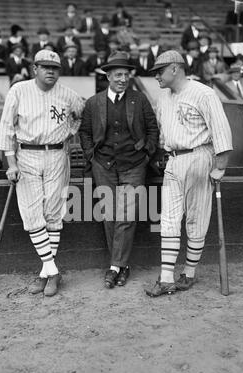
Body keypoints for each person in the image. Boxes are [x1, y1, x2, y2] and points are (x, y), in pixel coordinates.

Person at [0, 49, 84, 297]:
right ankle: (52, 270)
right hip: (27, 154)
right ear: (34, 68)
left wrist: (68, 133)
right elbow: (6, 129)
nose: (50, 72)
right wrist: (11, 163)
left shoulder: (68, 94)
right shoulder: (19, 90)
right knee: (32, 214)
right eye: (45, 67)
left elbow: (80, 116)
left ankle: (45, 273)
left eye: (55, 68)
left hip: (57, 154)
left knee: (53, 213)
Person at [146, 50, 233, 297]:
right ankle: (165, 278)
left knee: (196, 219)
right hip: (173, 160)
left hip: (199, 156)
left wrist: (220, 166)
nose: (156, 77)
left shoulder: (204, 93)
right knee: (169, 219)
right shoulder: (163, 98)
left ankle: (189, 273)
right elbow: (163, 132)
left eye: (159, 72)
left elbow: (222, 132)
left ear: (175, 68)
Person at [79, 51, 159, 289]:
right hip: (103, 165)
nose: (123, 79)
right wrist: (90, 155)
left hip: (134, 164)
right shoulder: (94, 102)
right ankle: (122, 266)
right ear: (108, 76)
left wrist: (146, 154)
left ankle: (114, 267)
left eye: (126, 74)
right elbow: (84, 131)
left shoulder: (139, 99)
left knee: (127, 215)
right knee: (110, 215)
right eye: (118, 75)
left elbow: (153, 128)